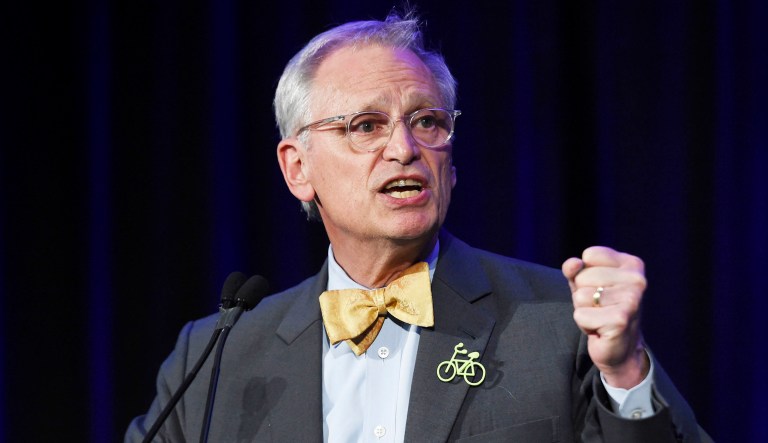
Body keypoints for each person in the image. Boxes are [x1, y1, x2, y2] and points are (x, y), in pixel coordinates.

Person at [126, 10, 709, 442]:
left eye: (427, 121)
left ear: (451, 162)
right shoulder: (216, 357)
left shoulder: (559, 321)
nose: (405, 148)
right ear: (297, 168)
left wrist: (627, 373)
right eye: (365, 125)